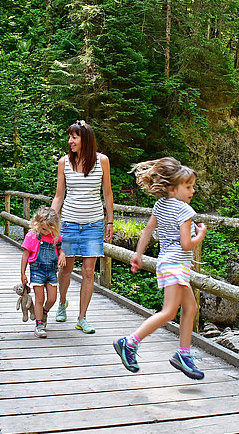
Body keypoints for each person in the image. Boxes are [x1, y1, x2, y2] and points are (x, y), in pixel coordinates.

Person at [114, 157, 207, 380]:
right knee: (168, 312)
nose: (192, 191)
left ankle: (183, 354)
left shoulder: (161, 205)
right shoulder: (185, 211)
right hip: (176, 265)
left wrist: (138, 255)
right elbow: (187, 244)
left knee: (191, 308)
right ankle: (129, 343)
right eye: (188, 187)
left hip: (167, 263)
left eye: (193, 186)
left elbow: (147, 231)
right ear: (173, 189)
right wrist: (200, 235)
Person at [50, 120, 114, 334]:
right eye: (69, 137)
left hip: (93, 224)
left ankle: (82, 317)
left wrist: (110, 221)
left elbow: (107, 193)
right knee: (65, 268)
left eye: (74, 137)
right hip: (68, 222)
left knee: (88, 272)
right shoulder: (64, 162)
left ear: (85, 139)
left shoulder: (102, 161)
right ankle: (62, 302)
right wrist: (50, 220)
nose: (70, 141)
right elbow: (59, 196)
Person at [20, 207, 66, 338]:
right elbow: (25, 255)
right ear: (36, 223)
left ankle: (44, 312)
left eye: (47, 229)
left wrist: (62, 254)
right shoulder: (32, 236)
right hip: (37, 271)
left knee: (52, 298)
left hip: (51, 271)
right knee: (40, 298)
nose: (44, 231)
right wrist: (22, 273)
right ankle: (39, 324)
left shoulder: (55, 237)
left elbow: (60, 249)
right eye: (42, 228)